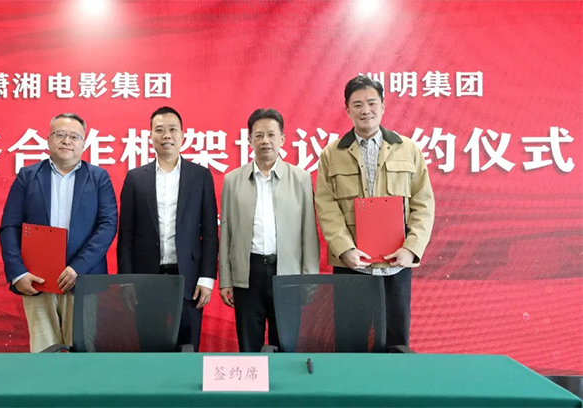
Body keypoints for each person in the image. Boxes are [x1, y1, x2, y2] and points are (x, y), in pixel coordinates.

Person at [315, 75, 435, 347]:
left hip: (396, 266)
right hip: (351, 267)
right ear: (347, 109)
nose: (365, 110)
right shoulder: (332, 154)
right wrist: (344, 249)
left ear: (383, 106)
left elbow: (423, 203)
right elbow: (326, 205)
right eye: (357, 104)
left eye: (371, 103)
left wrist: (411, 249)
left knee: (395, 344)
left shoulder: (408, 149)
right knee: (350, 343)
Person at [0, 112, 118, 352]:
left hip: (84, 279)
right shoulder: (28, 176)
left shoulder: (98, 178)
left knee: (83, 353)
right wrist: (18, 273)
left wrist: (78, 268)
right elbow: (9, 226)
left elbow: (108, 225)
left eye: (74, 136)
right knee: (44, 353)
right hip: (37, 280)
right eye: (60, 134)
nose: (67, 141)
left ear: (84, 143)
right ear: (48, 139)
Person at [117, 106, 218, 351]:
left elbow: (210, 234)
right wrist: (126, 281)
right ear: (150, 135)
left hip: (189, 279)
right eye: (159, 130)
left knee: (188, 346)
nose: (166, 135)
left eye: (173, 129)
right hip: (146, 279)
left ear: (183, 135)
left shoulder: (200, 176)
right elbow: (125, 236)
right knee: (150, 347)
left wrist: (207, 278)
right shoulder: (136, 178)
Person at [219, 108, 319, 352]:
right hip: (248, 274)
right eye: (259, 135)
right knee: (249, 347)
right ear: (249, 140)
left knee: (285, 345)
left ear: (282, 139)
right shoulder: (233, 180)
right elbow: (226, 233)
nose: (265, 141)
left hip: (287, 274)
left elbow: (309, 232)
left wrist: (309, 278)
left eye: (271, 135)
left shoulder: (301, 178)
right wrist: (226, 279)